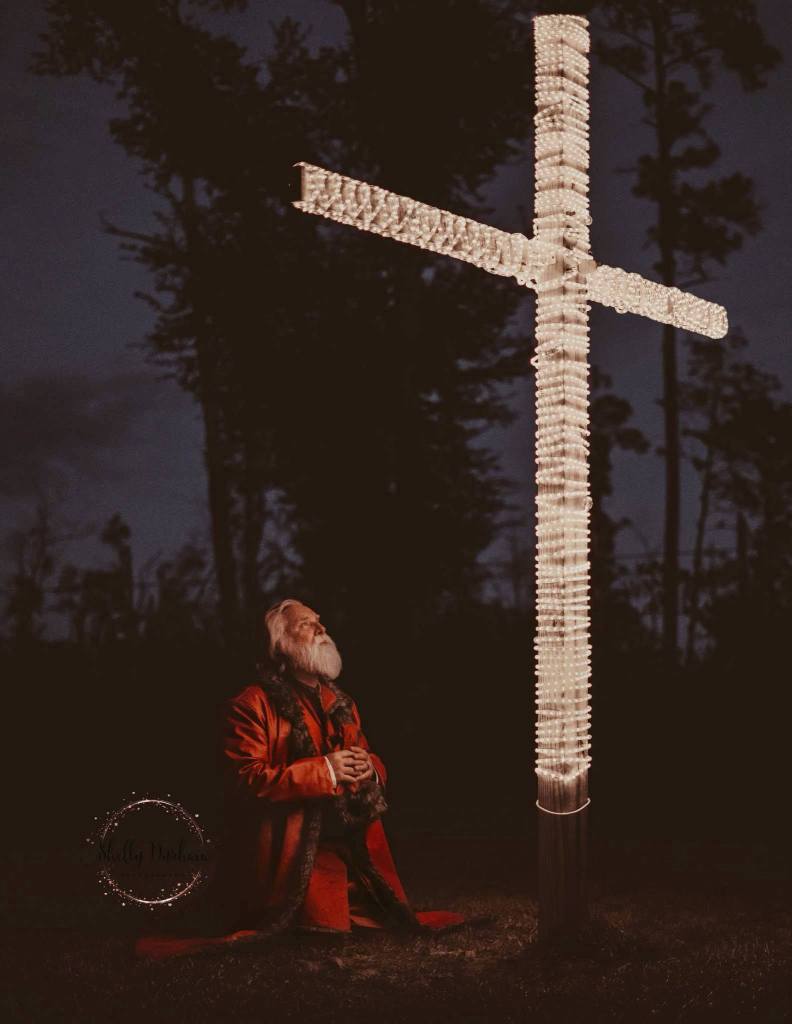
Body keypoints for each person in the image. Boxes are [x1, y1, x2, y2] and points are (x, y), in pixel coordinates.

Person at [134, 599, 463, 958]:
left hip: (347, 843)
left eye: (320, 621)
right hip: (285, 850)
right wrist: (326, 770)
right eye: (307, 624)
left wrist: (368, 766)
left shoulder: (343, 703)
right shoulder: (251, 704)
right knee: (322, 927)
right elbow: (246, 780)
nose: (321, 628)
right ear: (280, 645)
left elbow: (368, 755)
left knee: (375, 916)